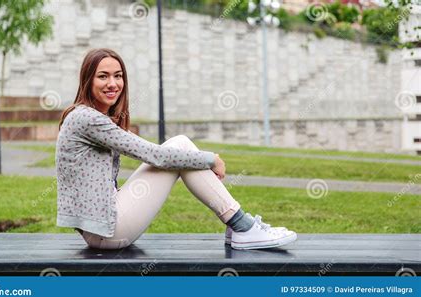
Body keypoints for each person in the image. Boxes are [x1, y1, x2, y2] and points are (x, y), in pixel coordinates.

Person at [55, 48, 297, 250]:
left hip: (102, 228)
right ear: (88, 80)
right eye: (103, 76)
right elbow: (156, 156)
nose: (113, 83)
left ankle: (240, 227)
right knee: (179, 147)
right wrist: (210, 159)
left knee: (180, 149)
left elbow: (153, 153)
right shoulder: (87, 119)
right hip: (107, 233)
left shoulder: (92, 118)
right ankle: (242, 227)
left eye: (118, 76)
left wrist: (200, 159)